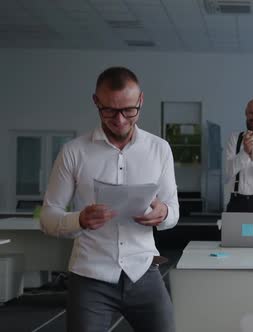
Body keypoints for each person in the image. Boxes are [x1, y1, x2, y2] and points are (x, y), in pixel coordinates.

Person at [40, 67, 179, 332]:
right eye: (109, 110)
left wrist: (162, 213)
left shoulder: (159, 149)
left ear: (141, 101)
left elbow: (173, 212)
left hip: (144, 270)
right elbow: (48, 216)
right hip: (90, 275)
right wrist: (78, 219)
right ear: (96, 102)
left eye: (129, 110)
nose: (120, 119)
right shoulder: (74, 152)